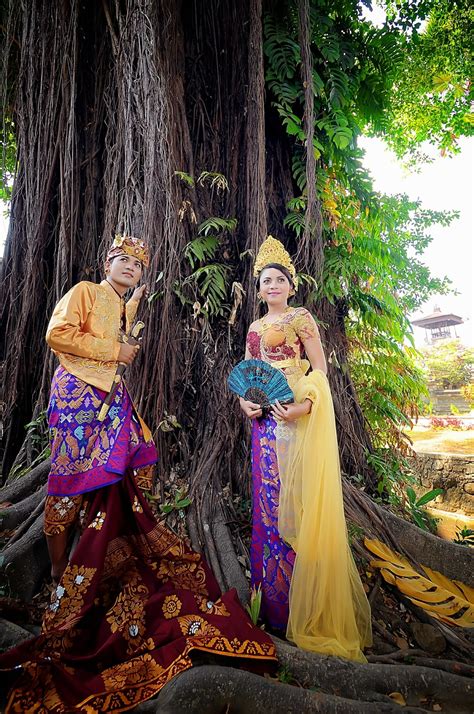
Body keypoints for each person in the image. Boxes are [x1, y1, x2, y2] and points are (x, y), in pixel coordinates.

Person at [0, 235, 275, 713]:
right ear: (106, 263)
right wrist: (115, 347)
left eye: (137, 264)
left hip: (111, 400)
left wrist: (127, 329)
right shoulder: (85, 290)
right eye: (122, 260)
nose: (130, 267)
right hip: (77, 398)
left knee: (141, 452)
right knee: (66, 487)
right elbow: (56, 334)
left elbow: (121, 348)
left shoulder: (126, 305)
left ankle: (99, 558)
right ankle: (62, 580)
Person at [239, 235, 372, 662]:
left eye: (279, 279)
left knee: (298, 504)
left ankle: (307, 604)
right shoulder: (254, 328)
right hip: (263, 424)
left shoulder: (300, 317)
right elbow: (249, 372)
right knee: (270, 502)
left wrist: (303, 406)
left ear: (291, 286)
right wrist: (245, 402)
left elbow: (320, 368)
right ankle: (275, 608)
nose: (273, 285)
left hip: (295, 417)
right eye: (266, 281)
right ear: (258, 290)